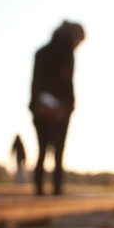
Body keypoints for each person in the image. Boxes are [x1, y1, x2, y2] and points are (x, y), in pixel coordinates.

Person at [29, 20, 85, 195]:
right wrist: (71, 103)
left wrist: (34, 104)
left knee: (41, 150)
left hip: (39, 108)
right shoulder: (66, 51)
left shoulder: (41, 52)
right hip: (60, 109)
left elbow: (35, 82)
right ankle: (57, 189)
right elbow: (66, 79)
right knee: (59, 151)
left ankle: (38, 190)